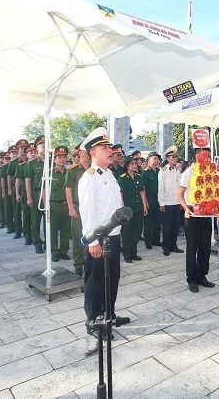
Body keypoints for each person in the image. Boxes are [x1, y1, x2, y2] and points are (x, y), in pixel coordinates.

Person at [78, 127, 130, 336]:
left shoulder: (109, 174)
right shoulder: (89, 178)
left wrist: (119, 233)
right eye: (105, 148)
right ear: (93, 152)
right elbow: (87, 212)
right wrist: (93, 242)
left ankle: (109, 314)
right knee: (96, 281)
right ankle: (94, 321)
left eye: (109, 147)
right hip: (98, 239)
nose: (110, 151)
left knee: (112, 278)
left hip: (113, 236)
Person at [179, 148, 215, 292]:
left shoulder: (209, 172)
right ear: (196, 156)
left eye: (208, 156)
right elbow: (180, 194)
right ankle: (192, 279)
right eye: (204, 155)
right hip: (192, 213)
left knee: (205, 246)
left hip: (206, 213)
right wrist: (185, 208)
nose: (207, 158)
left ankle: (202, 275)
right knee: (192, 247)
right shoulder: (188, 172)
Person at [118, 155, 148, 263]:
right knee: (127, 232)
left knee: (136, 231)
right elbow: (121, 194)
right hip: (128, 209)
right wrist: (123, 209)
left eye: (135, 163)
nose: (135, 165)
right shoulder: (122, 178)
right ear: (127, 166)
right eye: (132, 163)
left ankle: (133, 253)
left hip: (138, 207)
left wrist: (144, 206)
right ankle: (127, 254)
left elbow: (141, 192)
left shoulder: (138, 176)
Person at [65, 144, 89, 276]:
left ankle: (90, 261)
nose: (89, 155)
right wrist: (71, 208)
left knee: (91, 235)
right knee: (77, 236)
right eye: (86, 152)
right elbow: (68, 190)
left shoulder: (94, 169)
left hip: (91, 207)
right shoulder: (73, 170)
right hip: (77, 206)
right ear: (80, 154)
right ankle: (78, 264)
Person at [158, 146, 184, 256]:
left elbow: (180, 188)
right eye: (172, 157)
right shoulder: (163, 171)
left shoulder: (178, 172)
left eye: (176, 157)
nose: (175, 159)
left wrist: (181, 202)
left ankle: (174, 245)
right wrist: (162, 203)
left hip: (176, 202)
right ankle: (166, 247)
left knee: (175, 227)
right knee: (167, 227)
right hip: (167, 203)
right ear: (168, 159)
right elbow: (161, 188)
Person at [49, 145, 71, 262]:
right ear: (54, 159)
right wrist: (46, 206)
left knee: (66, 229)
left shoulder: (69, 172)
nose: (62, 159)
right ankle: (54, 251)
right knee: (53, 230)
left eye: (64, 157)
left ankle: (64, 250)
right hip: (54, 205)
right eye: (59, 157)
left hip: (66, 204)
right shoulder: (49, 173)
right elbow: (44, 190)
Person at [25, 136, 46, 253]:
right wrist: (29, 197)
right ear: (37, 148)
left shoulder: (52, 162)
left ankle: (48, 242)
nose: (44, 147)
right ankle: (37, 243)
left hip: (49, 194)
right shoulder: (31, 164)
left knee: (48, 220)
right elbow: (28, 181)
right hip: (36, 193)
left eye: (46, 145)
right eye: (42, 145)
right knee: (35, 220)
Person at [15, 143, 36, 245]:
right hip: (25, 192)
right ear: (26, 154)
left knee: (35, 218)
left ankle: (35, 236)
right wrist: (17, 193)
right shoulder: (22, 166)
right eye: (30, 153)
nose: (33, 154)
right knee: (26, 216)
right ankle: (28, 236)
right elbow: (18, 180)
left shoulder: (41, 165)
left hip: (37, 193)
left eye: (35, 152)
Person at [141, 151, 162, 250]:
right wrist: (145, 202)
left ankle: (156, 240)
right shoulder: (145, 173)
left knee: (157, 220)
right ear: (149, 160)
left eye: (158, 159)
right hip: (149, 197)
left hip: (158, 198)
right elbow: (143, 189)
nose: (156, 160)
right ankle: (148, 242)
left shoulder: (159, 172)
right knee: (148, 222)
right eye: (154, 158)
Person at [11, 139, 29, 239]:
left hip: (29, 190)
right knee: (17, 211)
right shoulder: (14, 163)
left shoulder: (31, 161)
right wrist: (11, 190)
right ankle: (18, 230)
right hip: (18, 188)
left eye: (24, 148)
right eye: (21, 148)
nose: (23, 150)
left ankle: (28, 232)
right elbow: (9, 176)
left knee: (27, 213)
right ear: (18, 150)